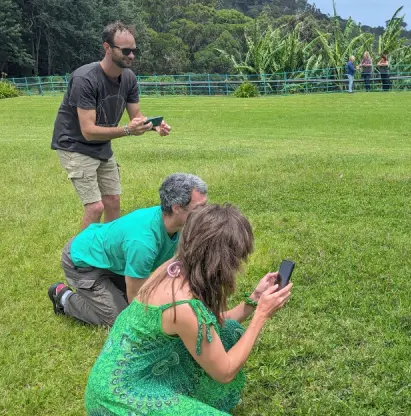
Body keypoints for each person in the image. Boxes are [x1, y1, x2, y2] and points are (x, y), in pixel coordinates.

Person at [84, 203, 293, 415]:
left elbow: (210, 326)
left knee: (228, 332)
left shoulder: (173, 268)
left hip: (133, 374)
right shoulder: (184, 306)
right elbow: (225, 371)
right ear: (222, 261)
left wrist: (253, 300)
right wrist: (261, 316)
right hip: (117, 397)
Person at [51, 21, 173, 231]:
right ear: (107, 48)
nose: (132, 56)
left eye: (134, 50)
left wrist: (154, 125)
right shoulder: (85, 79)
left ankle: (109, 253)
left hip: (102, 146)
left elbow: (136, 115)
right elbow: (88, 131)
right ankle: (80, 258)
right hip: (74, 145)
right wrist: (127, 130)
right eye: (125, 50)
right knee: (95, 207)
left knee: (113, 202)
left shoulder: (129, 78)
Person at [47, 173, 207, 326]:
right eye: (200, 207)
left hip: (110, 262)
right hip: (82, 262)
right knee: (121, 319)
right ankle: (64, 297)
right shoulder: (143, 242)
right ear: (177, 208)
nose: (206, 213)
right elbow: (136, 295)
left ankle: (106, 290)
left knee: (153, 296)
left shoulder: (177, 225)